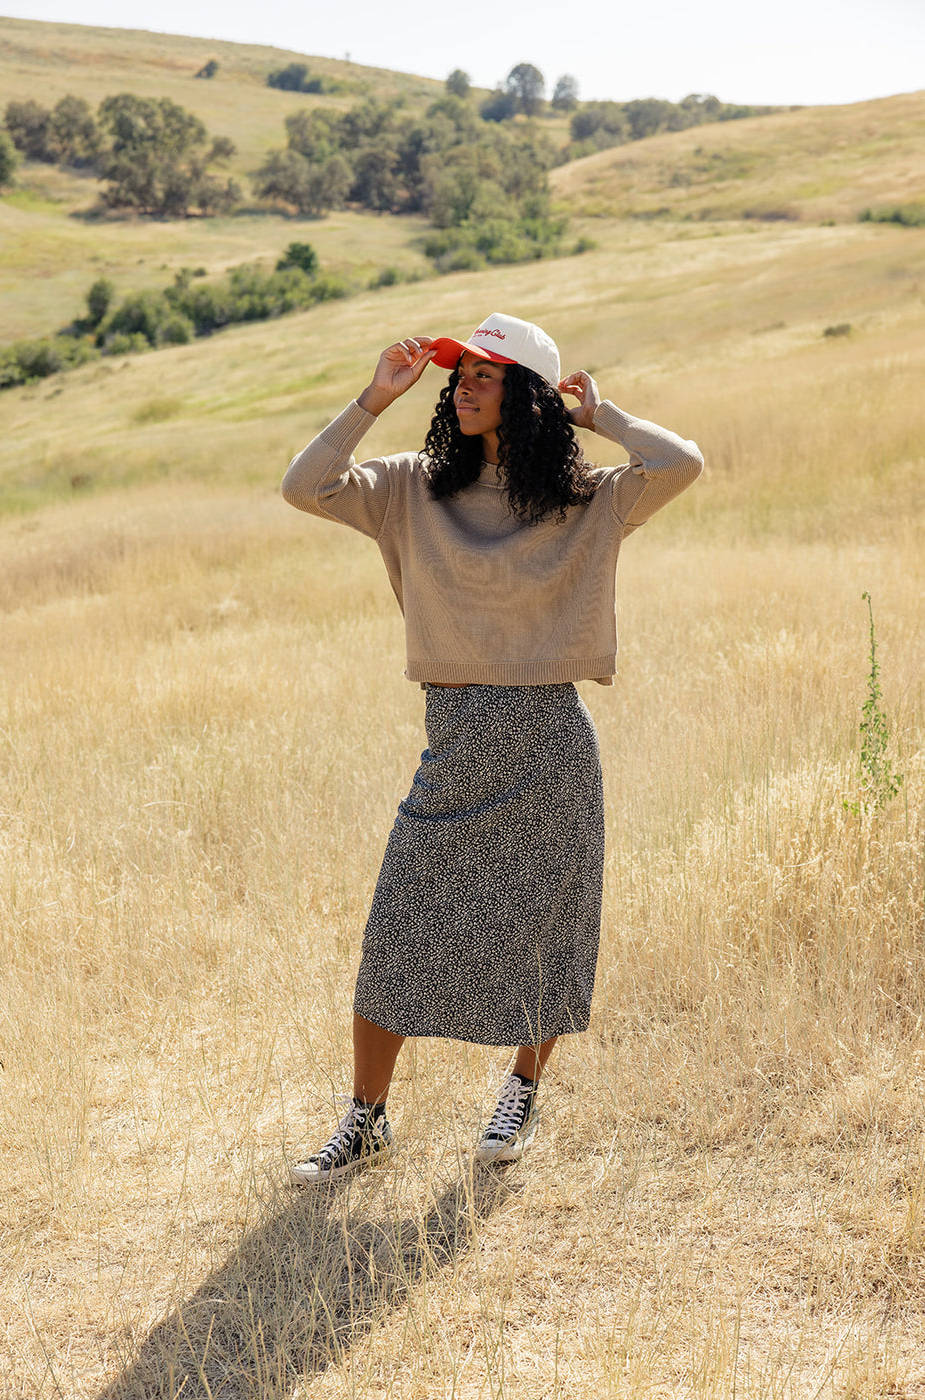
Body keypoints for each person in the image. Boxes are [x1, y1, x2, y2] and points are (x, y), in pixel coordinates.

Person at [281, 311, 703, 1183]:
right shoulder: (409, 487)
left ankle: (521, 1092)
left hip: (551, 742)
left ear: (530, 396)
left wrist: (603, 415)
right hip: (455, 742)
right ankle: (366, 1120)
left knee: (546, 932)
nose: (461, 384)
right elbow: (305, 485)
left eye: (484, 373)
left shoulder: (586, 498)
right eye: (459, 373)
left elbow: (681, 464)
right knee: (397, 930)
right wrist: (371, 400)